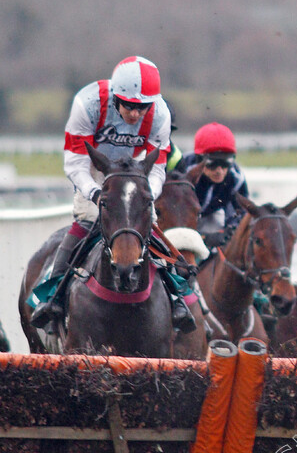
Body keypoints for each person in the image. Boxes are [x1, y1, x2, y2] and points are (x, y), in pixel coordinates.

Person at [31, 56, 195, 333]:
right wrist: (95, 194)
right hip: (95, 169)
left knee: (146, 222)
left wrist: (147, 197)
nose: (135, 114)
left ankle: (177, 298)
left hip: (135, 171)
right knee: (87, 219)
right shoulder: (88, 104)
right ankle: (53, 295)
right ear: (116, 97)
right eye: (129, 106)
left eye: (142, 107)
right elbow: (75, 162)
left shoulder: (160, 114)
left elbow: (158, 167)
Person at [177, 122, 249, 248]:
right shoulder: (182, 171)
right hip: (180, 217)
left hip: (210, 215)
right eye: (212, 164)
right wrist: (202, 237)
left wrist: (230, 229)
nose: (219, 171)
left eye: (226, 163)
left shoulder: (236, 177)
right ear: (200, 160)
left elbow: (241, 210)